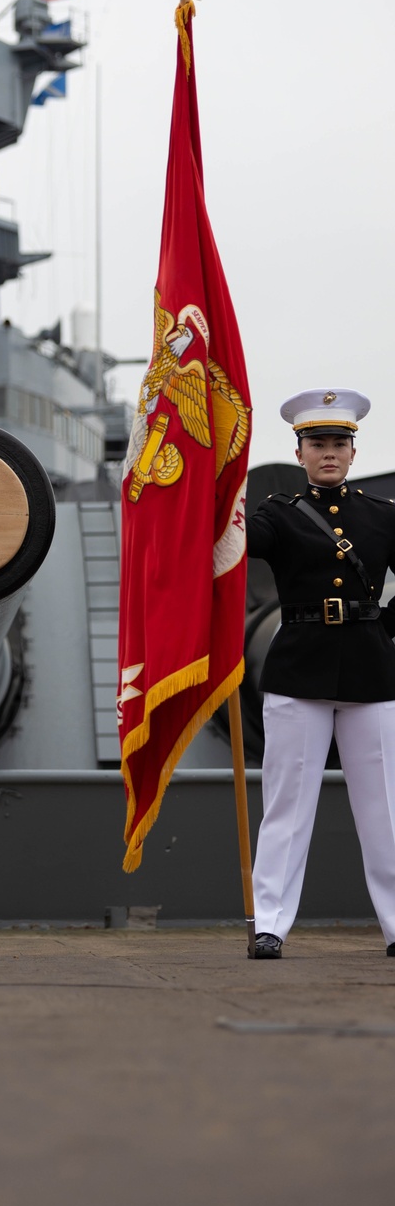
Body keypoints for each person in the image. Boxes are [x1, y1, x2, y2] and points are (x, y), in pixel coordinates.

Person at [246, 388, 395, 959]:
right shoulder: (278, 515)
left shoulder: (382, 517)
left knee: (383, 805)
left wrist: (385, 631)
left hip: (369, 669)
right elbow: (243, 543)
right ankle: (271, 924)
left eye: (338, 443)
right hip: (298, 671)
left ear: (353, 453)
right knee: (287, 804)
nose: (328, 453)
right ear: (300, 452)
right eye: (317, 444)